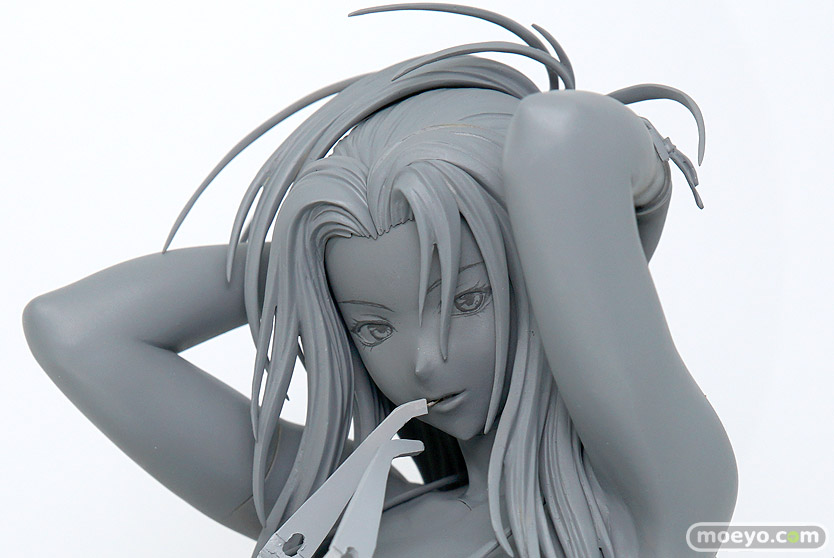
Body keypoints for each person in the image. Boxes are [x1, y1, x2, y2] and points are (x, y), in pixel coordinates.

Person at [22, 5, 737, 557]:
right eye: (372, 326)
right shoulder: (348, 512)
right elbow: (77, 331)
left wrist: (605, 219)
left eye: (466, 299)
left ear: (547, 274)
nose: (423, 361)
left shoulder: (647, 494)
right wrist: (308, 267)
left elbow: (564, 136)